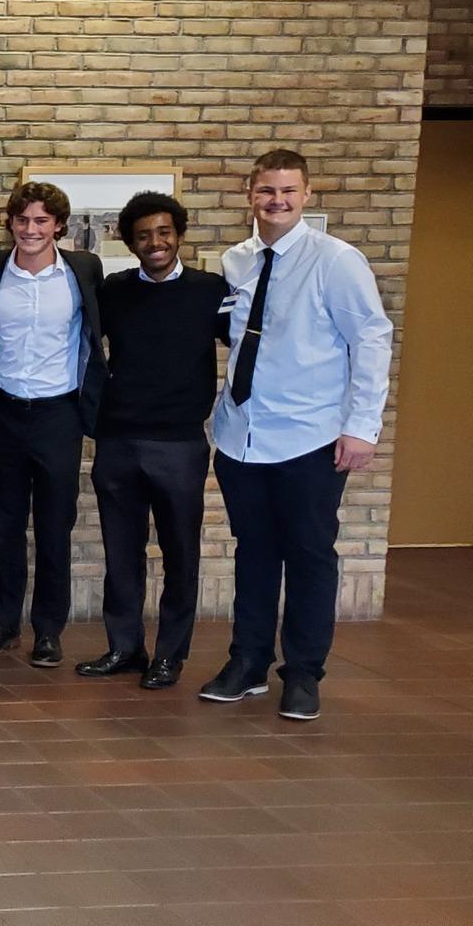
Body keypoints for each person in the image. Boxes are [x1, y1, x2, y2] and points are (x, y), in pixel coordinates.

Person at [200, 149, 392, 721]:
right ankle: (248, 663)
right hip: (241, 436)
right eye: (266, 191)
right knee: (253, 553)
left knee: (309, 556)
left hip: (311, 437)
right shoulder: (235, 261)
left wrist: (362, 427)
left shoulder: (337, 261)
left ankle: (304, 673)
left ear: (307, 194)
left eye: (288, 191)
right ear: (249, 193)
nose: (276, 201)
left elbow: (372, 342)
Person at [77, 193, 229, 690]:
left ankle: (170, 654)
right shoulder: (114, 291)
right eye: (143, 235)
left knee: (180, 552)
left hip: (180, 443)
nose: (155, 243)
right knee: (121, 553)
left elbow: (254, 343)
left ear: (179, 234)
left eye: (164, 232)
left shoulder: (211, 290)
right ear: (129, 240)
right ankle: (124, 646)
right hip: (118, 440)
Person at [0, 181, 106, 668]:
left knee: (54, 526)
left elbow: (96, 335)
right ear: (11, 223)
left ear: (58, 225)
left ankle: (48, 631)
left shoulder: (83, 270)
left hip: (58, 414)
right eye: (22, 220)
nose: (31, 229)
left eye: (42, 221)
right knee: (6, 525)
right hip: (4, 409)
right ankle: (2, 625)